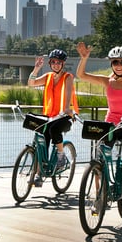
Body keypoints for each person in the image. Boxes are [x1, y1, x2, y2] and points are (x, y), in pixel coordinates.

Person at [76, 42, 122, 185]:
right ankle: (98, 198)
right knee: (99, 158)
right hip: (110, 125)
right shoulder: (107, 81)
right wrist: (84, 58)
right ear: (111, 64)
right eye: (115, 62)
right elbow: (81, 75)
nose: (118, 65)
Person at [27, 49, 79, 184]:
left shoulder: (68, 77)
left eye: (59, 62)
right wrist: (36, 69)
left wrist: (66, 108)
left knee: (54, 129)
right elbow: (31, 84)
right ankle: (39, 174)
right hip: (49, 116)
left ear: (63, 64)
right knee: (41, 143)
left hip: (65, 117)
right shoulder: (48, 76)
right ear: (50, 63)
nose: (56, 65)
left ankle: (61, 156)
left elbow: (68, 92)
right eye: (53, 62)